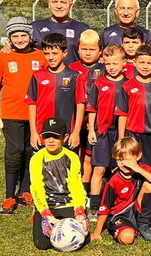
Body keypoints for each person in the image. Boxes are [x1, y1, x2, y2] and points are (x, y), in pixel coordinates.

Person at [0, 17, 46, 215]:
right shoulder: (4, 56)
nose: (20, 39)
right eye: (15, 36)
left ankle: (25, 191)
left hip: (36, 113)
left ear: (30, 36)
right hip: (12, 113)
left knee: (32, 151)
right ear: (9, 38)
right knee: (14, 152)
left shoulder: (40, 56)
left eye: (23, 35)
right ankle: (9, 196)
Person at [90, 136, 151, 243]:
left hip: (136, 209)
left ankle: (143, 225)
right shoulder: (114, 180)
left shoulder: (142, 168)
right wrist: (97, 232)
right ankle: (127, 228)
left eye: (128, 160)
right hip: (120, 214)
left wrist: (138, 169)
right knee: (127, 238)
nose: (124, 164)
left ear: (138, 156)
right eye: (119, 160)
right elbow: (105, 207)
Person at [29, 117, 88, 250]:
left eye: (55, 137)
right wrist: (46, 214)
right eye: (47, 136)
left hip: (68, 204)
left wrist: (79, 211)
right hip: (48, 205)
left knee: (83, 238)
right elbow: (36, 188)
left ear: (65, 137)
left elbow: (76, 184)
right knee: (42, 244)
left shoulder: (72, 157)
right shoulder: (36, 159)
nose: (50, 140)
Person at [86, 44, 127, 220]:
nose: (112, 67)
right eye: (108, 64)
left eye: (115, 64)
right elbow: (92, 108)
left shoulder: (128, 84)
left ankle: (117, 204)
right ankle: (94, 205)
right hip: (101, 132)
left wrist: (123, 137)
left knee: (119, 169)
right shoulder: (99, 83)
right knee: (100, 169)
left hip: (119, 133)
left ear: (124, 63)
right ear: (103, 62)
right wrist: (91, 130)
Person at [26, 33, 85, 151]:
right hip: (43, 134)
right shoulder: (38, 76)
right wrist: (33, 132)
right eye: (47, 54)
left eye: (55, 53)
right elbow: (32, 104)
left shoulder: (74, 76)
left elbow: (80, 104)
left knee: (65, 168)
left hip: (66, 134)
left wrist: (76, 132)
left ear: (65, 53)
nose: (50, 57)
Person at [116, 45, 151, 172]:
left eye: (149, 63)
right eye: (142, 62)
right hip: (132, 136)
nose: (145, 66)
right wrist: (121, 138)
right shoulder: (127, 86)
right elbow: (122, 114)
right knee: (132, 170)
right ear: (134, 62)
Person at [68, 29, 103, 193]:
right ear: (78, 49)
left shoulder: (104, 69)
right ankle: (72, 188)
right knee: (75, 154)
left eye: (92, 49)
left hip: (94, 123)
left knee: (89, 156)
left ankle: (85, 188)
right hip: (75, 120)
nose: (88, 53)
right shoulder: (71, 68)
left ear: (100, 50)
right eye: (84, 49)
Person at [31, 0, 89, 64]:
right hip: (43, 75)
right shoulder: (35, 27)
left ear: (71, 6)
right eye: (54, 2)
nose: (59, 6)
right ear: (49, 4)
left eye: (63, 2)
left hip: (73, 75)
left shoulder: (82, 29)